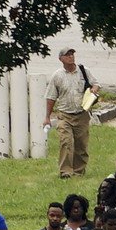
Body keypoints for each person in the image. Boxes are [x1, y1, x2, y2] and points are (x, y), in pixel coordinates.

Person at [44, 47, 98, 178]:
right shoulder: (57, 75)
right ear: (60, 59)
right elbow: (51, 97)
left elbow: (96, 84)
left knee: (81, 145)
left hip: (82, 114)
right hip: (64, 115)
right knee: (66, 142)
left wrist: (93, 90)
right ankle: (66, 172)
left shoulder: (84, 71)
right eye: (67, 55)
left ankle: (78, 171)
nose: (70, 57)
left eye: (72, 54)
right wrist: (47, 117)